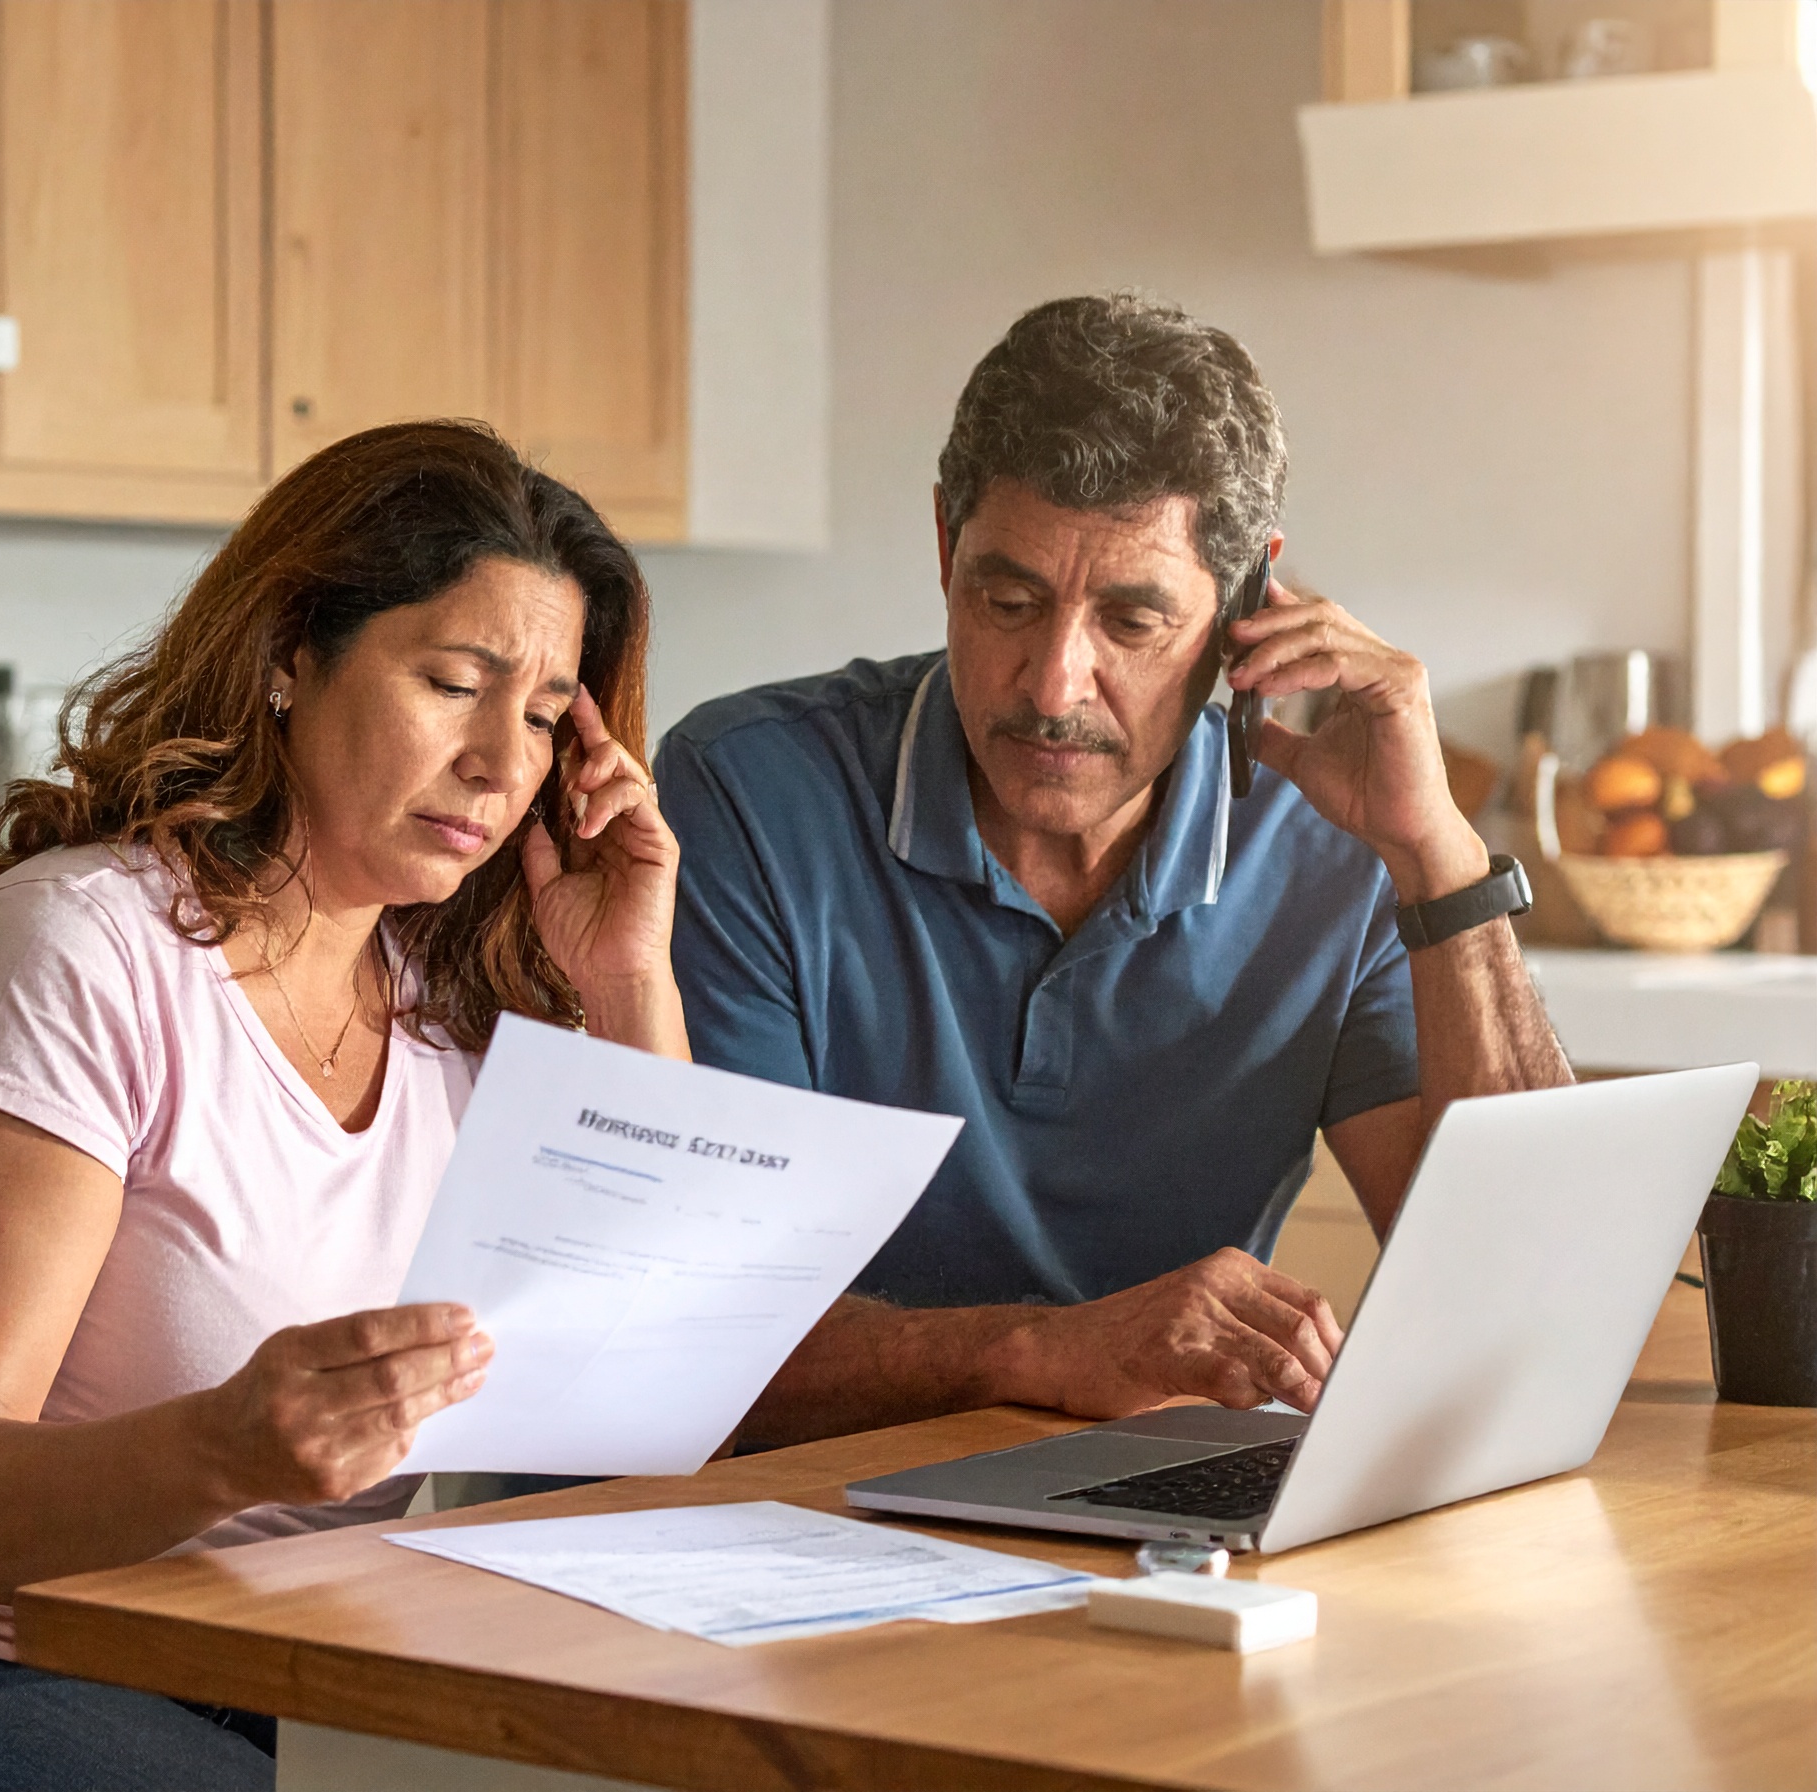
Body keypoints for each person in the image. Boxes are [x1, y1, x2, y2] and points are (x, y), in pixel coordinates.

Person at [0, 421, 687, 1792]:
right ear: (287, 656)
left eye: (549, 716)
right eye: (455, 683)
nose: (505, 761)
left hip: (248, 1678)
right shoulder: (77, 955)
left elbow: (652, 1369)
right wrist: (228, 1446)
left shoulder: (451, 1006)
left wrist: (626, 979)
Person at [657, 293, 1572, 1450]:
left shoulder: (1334, 843)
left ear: (1247, 601)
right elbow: (698, 1330)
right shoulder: (748, 796)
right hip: (792, 1503)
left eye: (1132, 622)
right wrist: (1046, 1351)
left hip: (1121, 1510)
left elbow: (1532, 1301)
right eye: (1008, 601)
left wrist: (1440, 858)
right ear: (943, 544)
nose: (1053, 684)